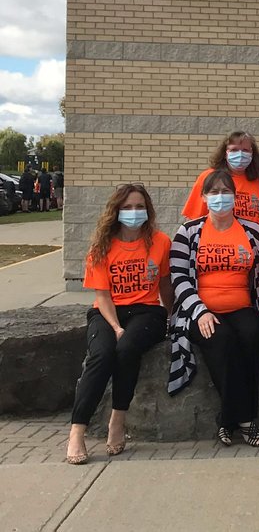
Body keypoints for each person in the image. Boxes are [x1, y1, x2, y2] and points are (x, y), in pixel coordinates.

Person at [66, 183, 172, 464]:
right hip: (107, 311)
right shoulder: (101, 247)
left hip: (147, 312)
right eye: (127, 207)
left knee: (126, 348)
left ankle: (117, 419)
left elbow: (164, 283)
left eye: (139, 207)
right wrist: (115, 327)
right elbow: (102, 296)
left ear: (148, 211)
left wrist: (173, 316)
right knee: (101, 355)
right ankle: (77, 431)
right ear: (115, 211)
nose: (134, 212)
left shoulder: (160, 241)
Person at [168, 170, 259, 447]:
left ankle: (227, 421)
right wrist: (200, 311)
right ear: (203, 197)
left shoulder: (253, 231)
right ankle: (247, 422)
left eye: (226, 192)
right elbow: (179, 278)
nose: (220, 197)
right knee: (222, 339)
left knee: (252, 337)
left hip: (242, 306)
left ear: (235, 197)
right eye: (214, 192)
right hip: (199, 309)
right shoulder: (188, 232)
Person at [181, 132, 259, 227]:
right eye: (234, 150)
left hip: (253, 235)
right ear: (225, 153)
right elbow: (193, 218)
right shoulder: (209, 177)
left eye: (245, 150)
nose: (240, 154)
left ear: (252, 153)